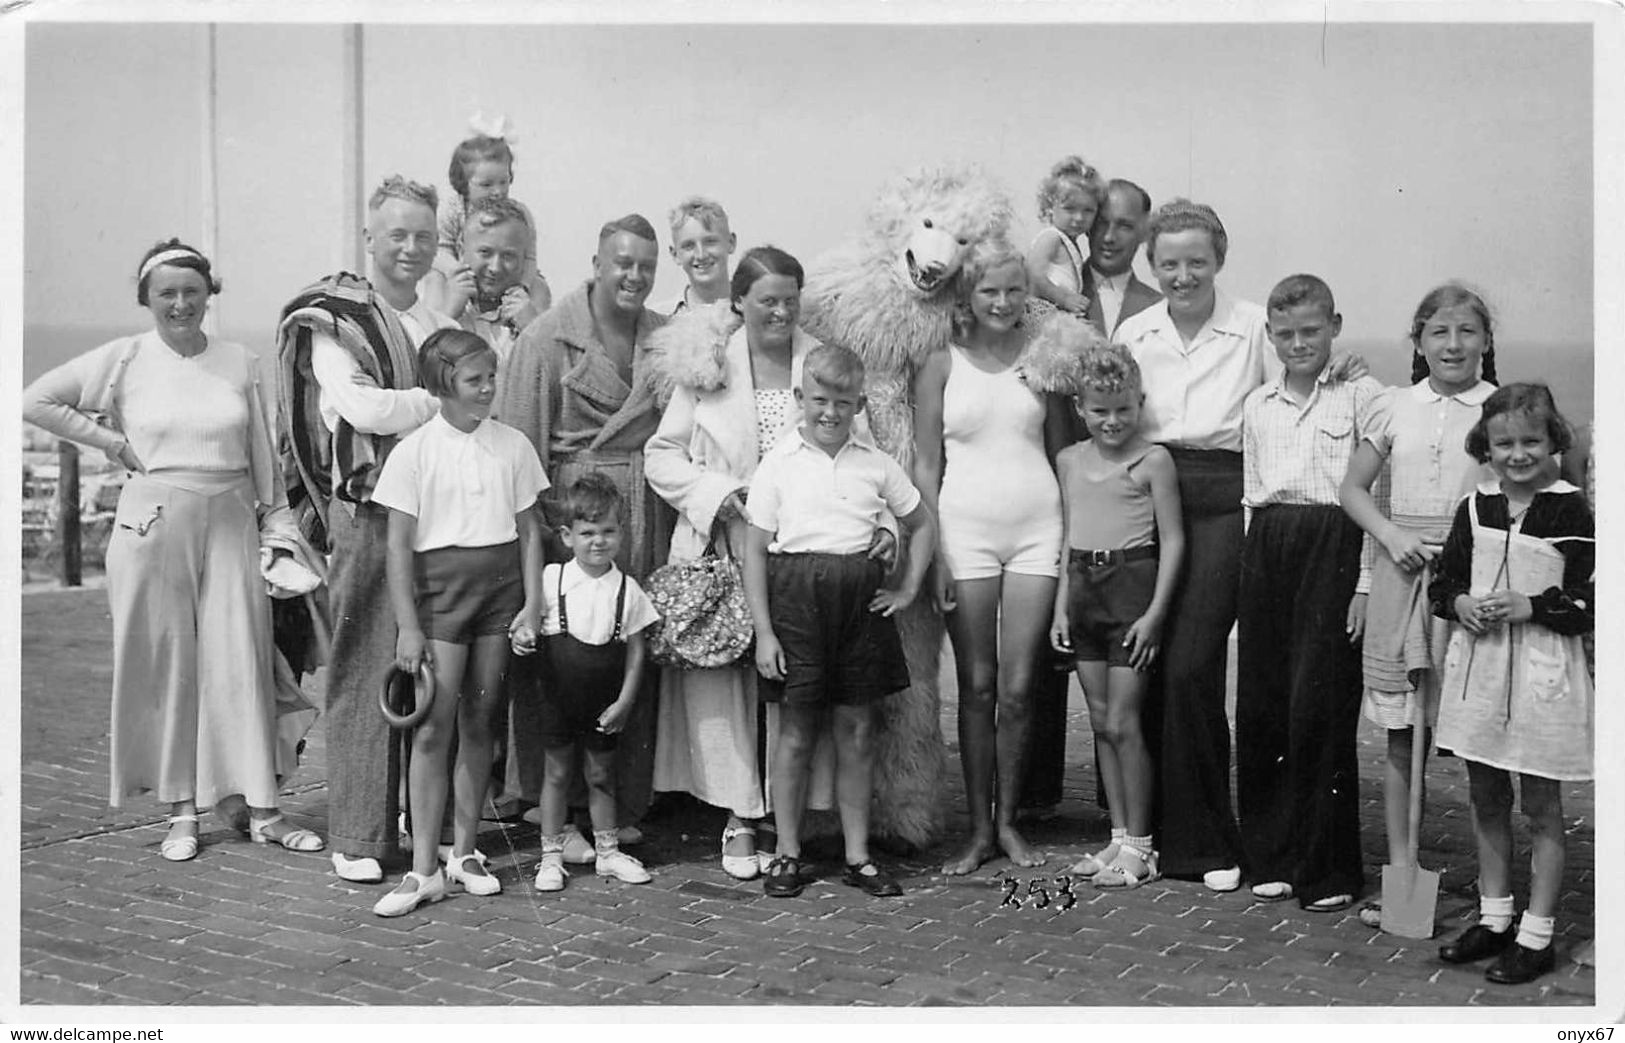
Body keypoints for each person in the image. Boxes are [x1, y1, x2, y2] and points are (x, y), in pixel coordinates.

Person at [23, 239, 324, 861]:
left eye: (192, 291)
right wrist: (110, 443)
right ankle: (182, 811)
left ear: (209, 294)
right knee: (169, 669)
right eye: (167, 293)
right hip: (151, 527)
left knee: (242, 666)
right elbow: (36, 401)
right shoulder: (125, 358)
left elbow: (262, 458)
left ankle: (263, 810)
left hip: (231, 524)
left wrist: (277, 526)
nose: (181, 304)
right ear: (148, 299)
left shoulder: (240, 361)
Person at [1112, 199, 1364, 892]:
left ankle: (1206, 843)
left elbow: (1298, 384)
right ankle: (1152, 832)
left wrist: (1350, 372)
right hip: (1151, 489)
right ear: (1151, 265)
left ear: (1218, 259)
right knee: (1152, 665)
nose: (1182, 274)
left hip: (1226, 495)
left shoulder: (1253, 324)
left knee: (1193, 662)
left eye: (1196, 260)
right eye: (1168, 262)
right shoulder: (1135, 330)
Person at [646, 245, 855, 880]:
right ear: (740, 302)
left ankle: (788, 814)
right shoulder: (707, 365)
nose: (781, 313)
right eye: (767, 300)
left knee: (790, 685)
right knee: (730, 688)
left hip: (802, 546)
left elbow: (858, 442)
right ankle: (741, 815)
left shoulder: (818, 361)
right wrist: (719, 497)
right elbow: (662, 454)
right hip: (725, 543)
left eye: (791, 300)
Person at [278, 175, 460, 883]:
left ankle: (421, 822)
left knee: (429, 664)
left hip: (435, 513)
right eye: (398, 235)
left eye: (423, 236)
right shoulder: (338, 316)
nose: (410, 248)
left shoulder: (431, 323)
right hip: (370, 507)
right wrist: (434, 399)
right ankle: (356, 832)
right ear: (370, 238)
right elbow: (359, 406)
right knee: (363, 663)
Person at [497, 213, 670, 854]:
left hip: (640, 515)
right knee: (557, 660)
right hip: (569, 520)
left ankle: (619, 803)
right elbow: (520, 452)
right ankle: (553, 813)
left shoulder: (665, 339)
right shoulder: (546, 340)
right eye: (622, 263)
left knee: (625, 647)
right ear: (597, 264)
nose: (634, 276)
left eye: (646, 267)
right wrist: (543, 545)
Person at [743, 343, 937, 897]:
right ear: (801, 399)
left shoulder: (874, 464)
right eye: (820, 400)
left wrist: (906, 587)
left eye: (844, 403)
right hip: (796, 606)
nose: (831, 413)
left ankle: (858, 855)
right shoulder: (778, 464)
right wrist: (764, 631)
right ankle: (786, 851)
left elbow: (920, 524)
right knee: (797, 733)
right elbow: (756, 550)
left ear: (859, 405)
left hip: (858, 608)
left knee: (856, 731)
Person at [368, 329, 546, 916]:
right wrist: (409, 626)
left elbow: (528, 532)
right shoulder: (413, 451)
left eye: (491, 377)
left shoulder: (514, 445)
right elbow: (397, 549)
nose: (489, 388)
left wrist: (532, 602)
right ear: (443, 385)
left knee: (482, 722)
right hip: (440, 596)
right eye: (475, 380)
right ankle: (423, 869)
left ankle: (464, 852)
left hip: (500, 595)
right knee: (431, 728)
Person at [1339, 282, 1499, 928]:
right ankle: (1402, 875)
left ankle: (1495, 893)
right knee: (1402, 736)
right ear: (1418, 341)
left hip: (1468, 588)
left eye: (1465, 332)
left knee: (1475, 738)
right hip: (1399, 577)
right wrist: (1389, 540)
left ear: (1486, 341)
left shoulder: (1498, 411)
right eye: (1438, 332)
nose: (1452, 344)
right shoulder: (1393, 407)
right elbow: (1351, 488)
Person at [1430, 384, 1593, 985]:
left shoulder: (1571, 509)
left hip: (1542, 676)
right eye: (1504, 443)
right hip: (1481, 672)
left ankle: (1537, 933)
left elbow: (1592, 599)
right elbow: (1443, 585)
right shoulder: (1475, 507)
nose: (1517, 454)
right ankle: (1495, 917)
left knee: (1543, 807)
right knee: (1487, 796)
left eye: (1531, 441)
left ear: (1553, 442)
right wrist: (1463, 601)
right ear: (1486, 446)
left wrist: (1534, 605)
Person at [914, 242, 1067, 875]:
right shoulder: (938, 362)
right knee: (976, 687)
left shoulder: (1044, 361)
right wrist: (935, 555)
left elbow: (1064, 455)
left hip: (1039, 528)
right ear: (965, 299)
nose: (1003, 304)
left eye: (1013, 291)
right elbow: (926, 464)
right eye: (989, 293)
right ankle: (977, 830)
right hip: (964, 532)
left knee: (1021, 688)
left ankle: (1008, 825)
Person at [1235, 274, 1382, 912]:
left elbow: (1377, 495)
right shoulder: (1258, 404)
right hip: (1268, 543)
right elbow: (1251, 490)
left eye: (1312, 332)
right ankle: (1271, 856)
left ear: (1335, 326)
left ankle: (1328, 869)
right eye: (1286, 334)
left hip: (1335, 544)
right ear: (1270, 336)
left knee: (1318, 705)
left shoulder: (1363, 395)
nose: (1299, 344)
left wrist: (1365, 584)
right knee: (1264, 702)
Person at [1021, 176, 1163, 820]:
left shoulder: (1154, 305)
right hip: (1062, 468)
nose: (1107, 233)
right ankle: (1035, 795)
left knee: (1125, 672)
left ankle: (1126, 811)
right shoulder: (1051, 287)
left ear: (1142, 234)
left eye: (1125, 225)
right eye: (1100, 220)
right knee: (1054, 641)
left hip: (1129, 484)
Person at [1049, 344, 1182, 888]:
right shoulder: (1068, 461)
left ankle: (1143, 846)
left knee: (1126, 723)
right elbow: (1066, 538)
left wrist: (1154, 615)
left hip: (1131, 591)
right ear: (1081, 407)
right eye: (1100, 410)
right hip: (1084, 591)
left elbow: (1173, 542)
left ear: (1139, 402)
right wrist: (1061, 606)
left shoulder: (1153, 461)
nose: (1112, 421)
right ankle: (1119, 836)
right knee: (1101, 722)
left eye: (1123, 409)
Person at [527, 472, 660, 892]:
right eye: (587, 532)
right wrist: (522, 636)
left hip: (604, 701)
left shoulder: (629, 589)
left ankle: (607, 852)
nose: (598, 541)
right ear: (567, 536)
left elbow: (637, 651)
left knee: (601, 775)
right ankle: (550, 855)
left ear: (622, 533)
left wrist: (624, 702)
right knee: (556, 774)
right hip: (557, 698)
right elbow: (526, 626)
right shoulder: (552, 580)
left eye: (608, 531)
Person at [422, 120, 551, 316]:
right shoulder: (453, 210)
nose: (498, 191)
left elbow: (529, 257)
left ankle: (534, 327)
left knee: (540, 287)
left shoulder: (519, 215)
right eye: (487, 184)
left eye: (503, 182)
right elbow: (438, 251)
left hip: (511, 275)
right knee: (434, 279)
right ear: (463, 184)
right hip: (460, 271)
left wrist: (523, 286)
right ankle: (436, 323)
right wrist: (458, 272)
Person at [436, 197, 544, 369]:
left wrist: (534, 328)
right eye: (485, 252)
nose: (495, 267)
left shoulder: (535, 313)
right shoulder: (433, 304)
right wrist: (447, 316)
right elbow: (420, 373)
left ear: (524, 259)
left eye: (508, 256)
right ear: (461, 250)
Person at [1024, 156, 1103, 316]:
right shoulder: (1050, 238)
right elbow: (1032, 274)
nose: (1079, 217)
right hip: (1038, 314)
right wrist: (1064, 298)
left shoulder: (1070, 243)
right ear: (1049, 207)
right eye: (1070, 209)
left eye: (1088, 210)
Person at [653, 195, 737, 316]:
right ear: (675, 254)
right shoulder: (658, 320)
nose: (701, 255)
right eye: (689, 246)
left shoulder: (754, 312)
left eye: (710, 242)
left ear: (731, 242)